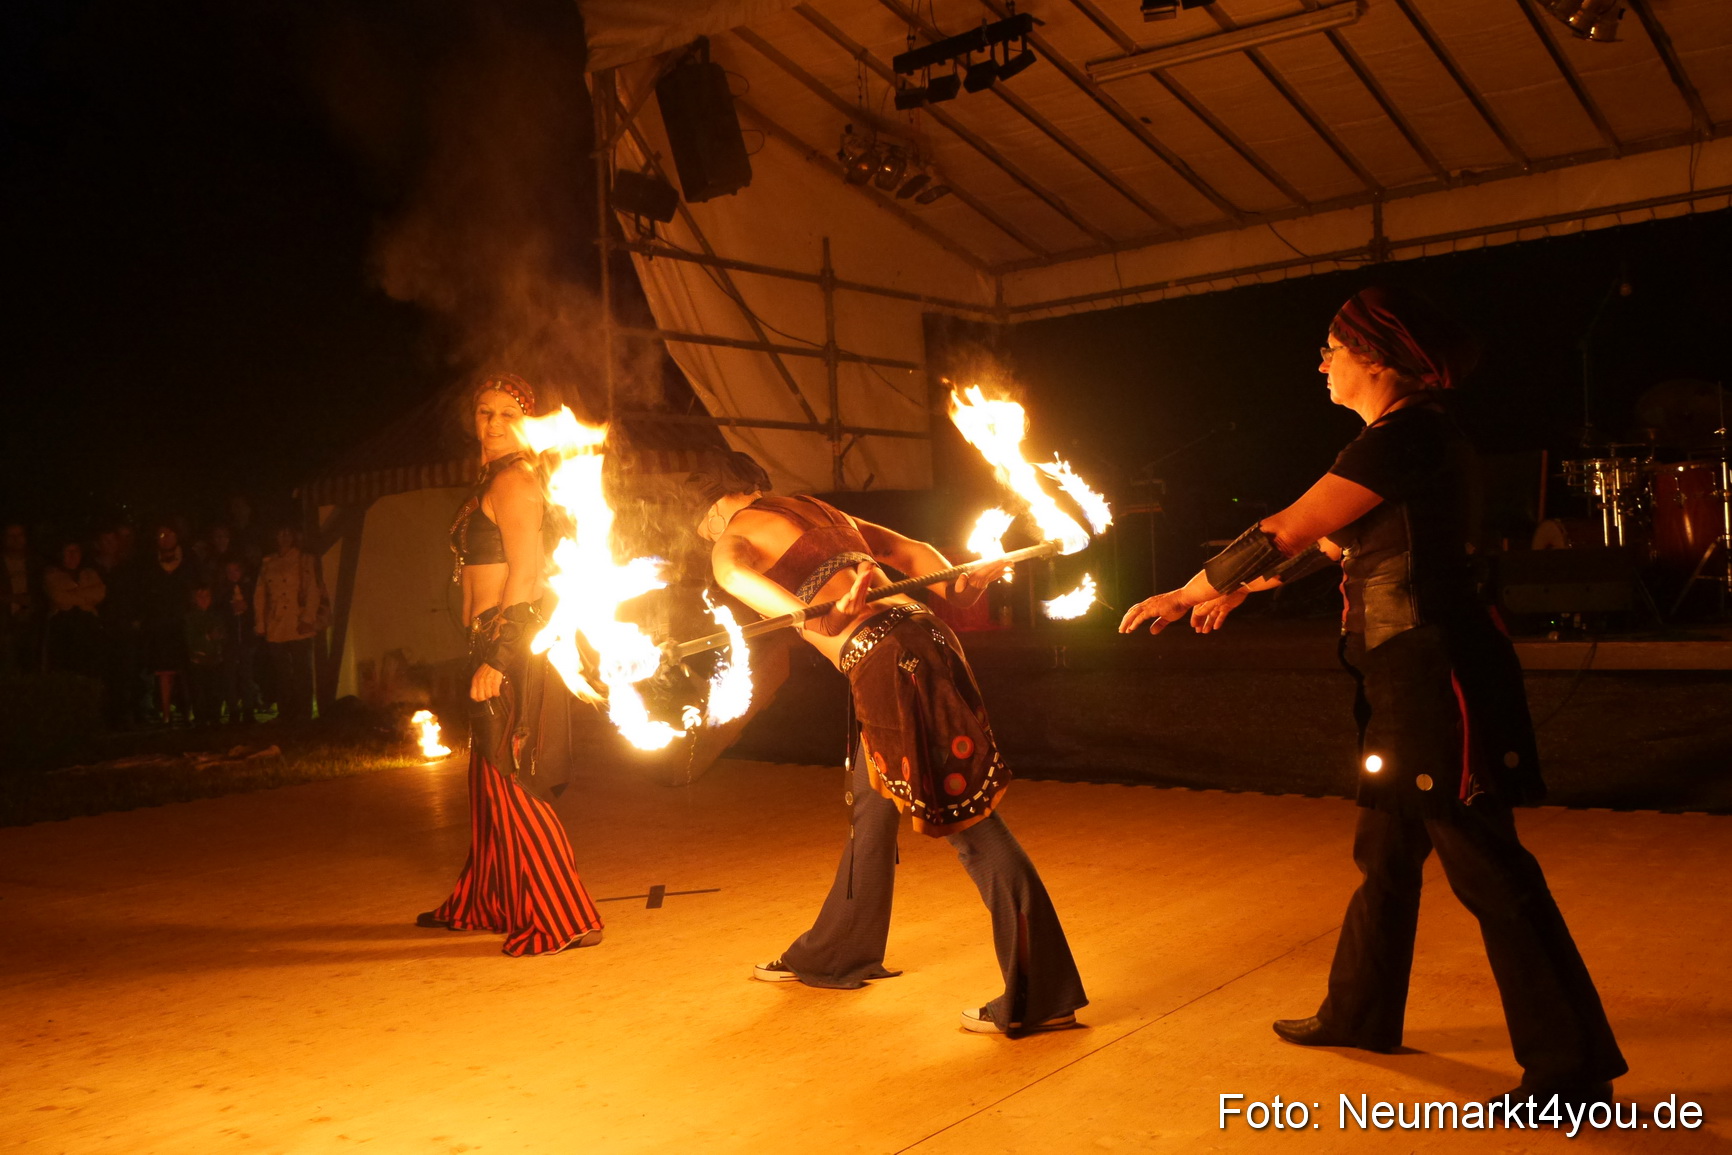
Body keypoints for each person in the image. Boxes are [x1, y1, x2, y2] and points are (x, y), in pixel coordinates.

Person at [1118, 286, 1625, 1104]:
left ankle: (1572, 1071)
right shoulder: (1397, 440)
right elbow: (1329, 539)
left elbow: (1290, 522)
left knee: (1489, 868)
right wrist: (1249, 590)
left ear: (1378, 358)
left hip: (1436, 674)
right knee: (1385, 853)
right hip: (1401, 672)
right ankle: (1360, 1010)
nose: (1320, 361)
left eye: (1332, 346)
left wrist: (1188, 588)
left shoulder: (1410, 432)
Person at [694, 451, 1087, 1035]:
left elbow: (733, 577)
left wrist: (808, 614)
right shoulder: (818, 509)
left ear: (710, 504)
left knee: (973, 829)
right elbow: (912, 555)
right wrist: (959, 578)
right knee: (871, 806)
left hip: (890, 665)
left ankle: (1041, 992)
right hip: (925, 636)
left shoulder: (733, 531)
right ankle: (840, 951)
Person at [418, 372, 603, 957]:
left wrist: (498, 657)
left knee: (514, 778)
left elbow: (525, 573)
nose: (493, 424)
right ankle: (489, 899)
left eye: (505, 414)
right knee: (488, 778)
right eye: (483, 413)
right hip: (490, 640)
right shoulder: (494, 480)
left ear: (525, 423)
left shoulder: (518, 481)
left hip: (511, 644)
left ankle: (565, 914)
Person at [253, 526, 320, 723]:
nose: (284, 537)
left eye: (287, 533)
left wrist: (308, 619)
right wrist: (260, 623)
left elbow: (312, 589)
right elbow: (260, 594)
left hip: (297, 620)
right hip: (276, 623)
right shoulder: (268, 562)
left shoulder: (304, 559)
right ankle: (286, 712)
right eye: (280, 533)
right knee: (281, 671)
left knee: (302, 670)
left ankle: (304, 712)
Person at [141, 524, 194, 722]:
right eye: (162, 534)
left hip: (184, 622)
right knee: (164, 670)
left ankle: (188, 710)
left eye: (170, 534)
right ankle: (165, 713)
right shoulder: (150, 564)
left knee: (185, 668)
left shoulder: (188, 561)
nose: (166, 538)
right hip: (161, 624)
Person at [43, 540, 106, 677]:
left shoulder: (89, 573)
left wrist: (72, 594)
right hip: (62, 631)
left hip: (89, 630)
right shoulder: (52, 574)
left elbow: (100, 593)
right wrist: (86, 597)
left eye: (76, 551)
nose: (73, 555)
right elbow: (59, 597)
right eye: (68, 551)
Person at [184, 584, 228, 726]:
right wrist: (207, 637)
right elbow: (190, 639)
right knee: (199, 691)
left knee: (214, 690)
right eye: (200, 596)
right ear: (194, 599)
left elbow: (223, 634)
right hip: (198, 661)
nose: (203, 600)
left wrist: (219, 639)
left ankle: (214, 717)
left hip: (214, 660)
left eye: (207, 596)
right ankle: (201, 719)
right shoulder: (190, 617)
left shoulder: (216, 616)